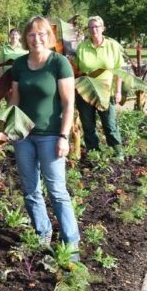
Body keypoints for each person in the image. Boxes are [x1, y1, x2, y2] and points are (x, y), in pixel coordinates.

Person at [9, 16, 80, 253]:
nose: (36, 38)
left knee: (57, 190)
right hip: (24, 137)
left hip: (51, 136)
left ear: (48, 36)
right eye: (31, 34)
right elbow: (15, 101)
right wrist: (8, 130)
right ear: (25, 38)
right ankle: (43, 231)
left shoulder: (59, 63)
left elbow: (69, 102)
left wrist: (64, 136)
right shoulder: (19, 65)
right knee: (30, 189)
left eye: (41, 34)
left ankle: (71, 241)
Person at [74, 16, 124, 159]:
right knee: (88, 126)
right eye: (91, 27)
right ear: (88, 30)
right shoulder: (82, 47)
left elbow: (119, 71)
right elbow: (76, 69)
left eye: (97, 26)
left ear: (103, 28)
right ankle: (93, 153)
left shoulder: (112, 46)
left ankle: (117, 152)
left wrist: (119, 91)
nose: (94, 29)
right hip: (85, 92)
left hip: (106, 92)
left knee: (110, 125)